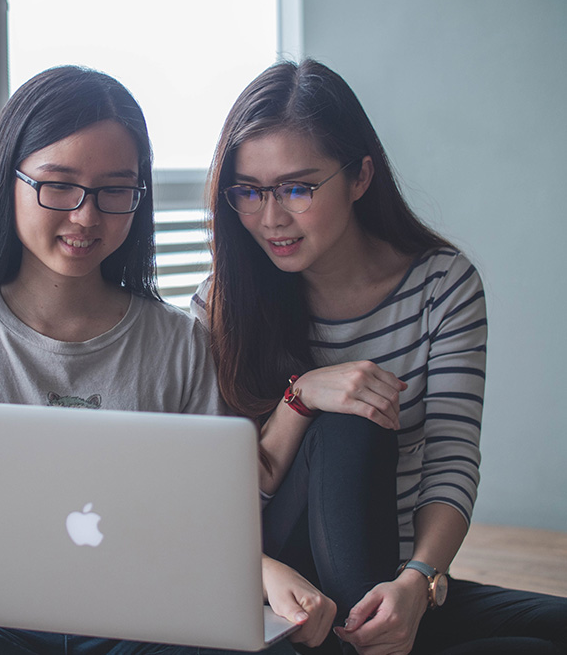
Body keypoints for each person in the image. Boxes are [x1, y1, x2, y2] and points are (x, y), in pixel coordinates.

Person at [0, 65, 336, 655]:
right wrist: (45, 546)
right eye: (59, 185)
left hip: (137, 625)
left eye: (114, 190)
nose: (85, 215)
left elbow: (203, 519)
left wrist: (260, 571)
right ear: (9, 182)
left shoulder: (180, 342)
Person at [192, 58, 567, 655]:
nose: (271, 218)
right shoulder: (221, 302)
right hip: (276, 581)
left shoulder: (442, 286)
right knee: (347, 421)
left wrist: (418, 580)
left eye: (297, 187)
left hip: (384, 571)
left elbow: (450, 456)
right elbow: (217, 497)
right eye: (249, 192)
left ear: (360, 177)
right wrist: (302, 396)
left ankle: (380, 627)